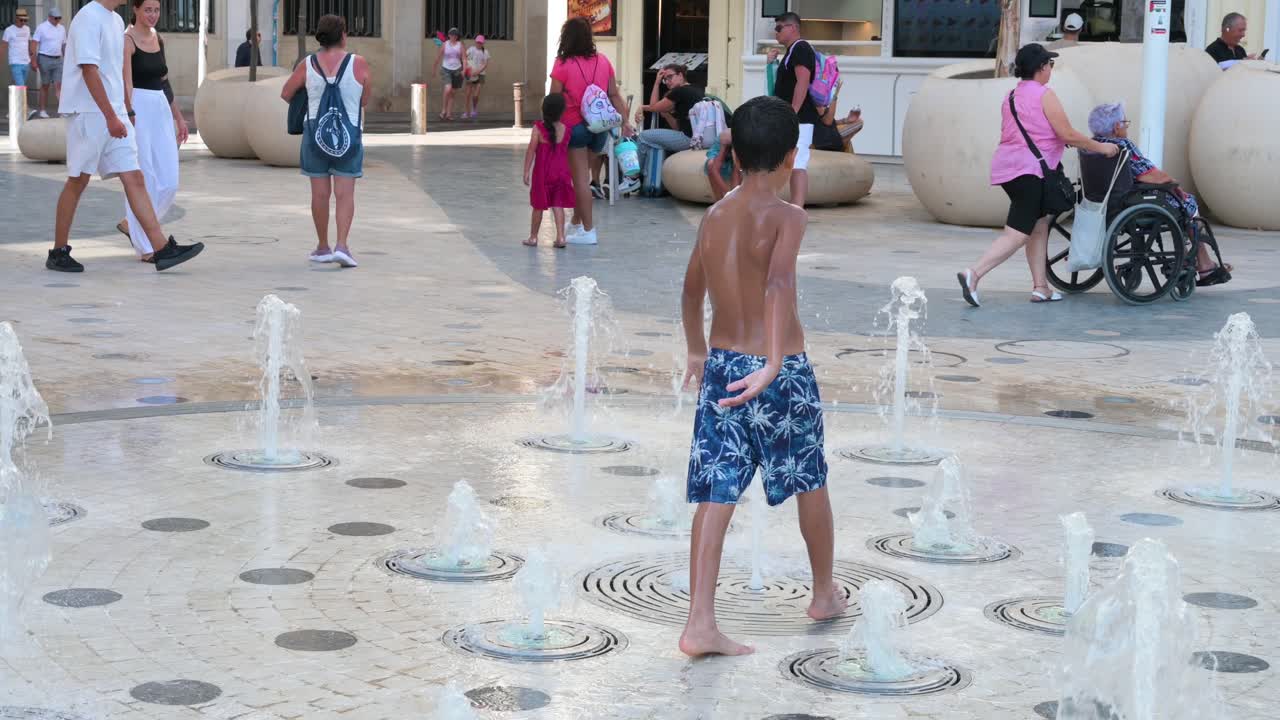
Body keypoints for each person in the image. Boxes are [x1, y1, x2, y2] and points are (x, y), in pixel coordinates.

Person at [678, 95, 845, 657]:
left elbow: (690, 290)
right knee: (809, 478)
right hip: (783, 374)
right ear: (789, 156)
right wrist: (773, 362)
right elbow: (778, 285)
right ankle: (824, 593)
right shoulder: (788, 217)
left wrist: (697, 352)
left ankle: (700, 622)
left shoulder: (715, 214)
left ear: (737, 151)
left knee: (717, 490)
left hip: (723, 365)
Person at [48, 0, 203, 273]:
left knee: (135, 176)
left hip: (114, 113)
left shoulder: (116, 21)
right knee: (78, 180)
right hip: (89, 113)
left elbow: (115, 75)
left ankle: (161, 248)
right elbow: (89, 71)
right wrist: (110, 115)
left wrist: (123, 111)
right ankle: (58, 251)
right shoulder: (87, 18)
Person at [956, 44, 1117, 306]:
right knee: (1017, 233)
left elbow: (1024, 132)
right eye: (1050, 64)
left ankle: (1041, 287)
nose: (1051, 68)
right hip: (1031, 171)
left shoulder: (1010, 96)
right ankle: (973, 274)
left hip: (1009, 168)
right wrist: (1102, 147)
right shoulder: (1045, 95)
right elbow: (1067, 134)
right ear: (1041, 68)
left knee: (1039, 225)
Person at [1088, 102, 1232, 286]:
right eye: (1125, 122)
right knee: (1188, 204)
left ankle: (1201, 261)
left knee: (1181, 202)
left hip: (1103, 204)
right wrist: (1173, 184)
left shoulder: (1091, 147)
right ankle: (1205, 266)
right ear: (1117, 127)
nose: (1126, 126)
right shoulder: (1122, 145)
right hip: (1132, 203)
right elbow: (1151, 175)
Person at [280, 14, 371, 268]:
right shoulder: (359, 63)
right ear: (343, 36)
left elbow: (286, 92)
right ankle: (342, 246)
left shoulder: (307, 64)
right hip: (349, 133)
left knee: (320, 194)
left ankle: (322, 247)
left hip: (314, 133)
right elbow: (365, 99)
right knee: (345, 193)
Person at [115, 0, 189, 262]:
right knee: (144, 178)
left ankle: (131, 223)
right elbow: (125, 82)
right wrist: (129, 114)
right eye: (148, 9)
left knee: (169, 181)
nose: (153, 15)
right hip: (139, 110)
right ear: (135, 9)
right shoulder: (126, 41)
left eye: (156, 10)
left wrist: (179, 118)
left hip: (159, 108)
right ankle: (146, 247)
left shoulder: (159, 39)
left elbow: (164, 81)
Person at [549, 16, 632, 246]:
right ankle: (576, 223)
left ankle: (588, 230)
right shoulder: (603, 61)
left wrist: (550, 126)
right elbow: (614, 95)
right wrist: (624, 121)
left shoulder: (562, 64)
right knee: (583, 178)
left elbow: (554, 99)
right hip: (600, 128)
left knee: (580, 182)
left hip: (575, 128)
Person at [767, 12, 819, 208]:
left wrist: (793, 112)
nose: (776, 32)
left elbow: (802, 82)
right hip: (790, 117)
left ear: (793, 28)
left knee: (798, 162)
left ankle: (797, 207)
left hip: (799, 118)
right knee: (785, 160)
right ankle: (783, 204)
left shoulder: (801, 48)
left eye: (779, 28)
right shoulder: (791, 52)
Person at [522, 93, 573, 249]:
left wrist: (526, 171)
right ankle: (561, 237)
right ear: (562, 111)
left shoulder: (538, 128)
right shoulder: (566, 129)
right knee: (558, 205)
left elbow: (531, 150)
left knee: (538, 206)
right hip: (561, 172)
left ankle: (533, 237)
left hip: (542, 173)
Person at [633, 63, 705, 162]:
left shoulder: (679, 91)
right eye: (665, 79)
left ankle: (633, 176)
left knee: (643, 137)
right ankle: (650, 175)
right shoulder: (695, 89)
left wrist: (657, 83)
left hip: (689, 139)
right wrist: (665, 114)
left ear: (680, 75)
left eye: (670, 77)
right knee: (654, 141)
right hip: (698, 137)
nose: (667, 81)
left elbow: (653, 106)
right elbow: (677, 127)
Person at [31, 8, 66, 119]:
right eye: (56, 18)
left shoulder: (62, 28)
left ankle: (62, 111)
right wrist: (33, 60)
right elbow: (34, 43)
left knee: (59, 85)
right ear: (50, 17)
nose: (58, 20)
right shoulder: (41, 27)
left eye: (59, 18)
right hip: (44, 58)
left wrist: (67, 59)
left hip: (58, 59)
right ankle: (42, 110)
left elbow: (64, 44)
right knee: (45, 85)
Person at [812, 80, 862, 153]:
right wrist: (834, 96)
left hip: (828, 134)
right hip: (824, 138)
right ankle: (840, 148)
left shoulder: (821, 98)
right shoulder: (816, 98)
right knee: (859, 123)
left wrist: (845, 120)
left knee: (857, 123)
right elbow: (827, 122)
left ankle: (841, 149)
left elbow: (828, 122)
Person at [432, 27, 464, 121]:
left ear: (457, 36)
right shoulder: (445, 44)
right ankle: (443, 110)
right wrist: (434, 69)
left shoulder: (460, 45)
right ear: (449, 35)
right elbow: (438, 57)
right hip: (446, 69)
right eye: (451, 34)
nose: (453, 36)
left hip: (457, 70)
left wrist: (464, 70)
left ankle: (449, 114)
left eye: (455, 35)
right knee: (448, 89)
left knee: (453, 93)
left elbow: (464, 58)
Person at [705, 128, 740, 201]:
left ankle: (734, 200)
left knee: (738, 167)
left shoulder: (742, 139)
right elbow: (714, 169)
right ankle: (719, 200)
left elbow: (736, 168)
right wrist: (728, 192)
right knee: (710, 165)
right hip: (718, 155)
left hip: (732, 156)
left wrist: (734, 194)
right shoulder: (726, 137)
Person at [3, 8, 32, 91]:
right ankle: (24, 104)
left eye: (25, 21)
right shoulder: (9, 30)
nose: (23, 22)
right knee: (21, 87)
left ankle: (17, 103)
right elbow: (3, 46)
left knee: (20, 86)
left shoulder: (27, 29)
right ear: (16, 19)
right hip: (15, 62)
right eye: (21, 20)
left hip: (26, 62)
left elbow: (29, 41)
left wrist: (31, 54)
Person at [463, 34, 489, 120]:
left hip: (480, 74)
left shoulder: (485, 52)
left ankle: (474, 109)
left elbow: (485, 65)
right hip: (470, 73)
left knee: (476, 95)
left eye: (480, 42)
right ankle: (467, 112)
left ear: (483, 43)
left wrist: (477, 72)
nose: (479, 44)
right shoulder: (470, 49)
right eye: (477, 42)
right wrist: (467, 68)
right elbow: (464, 59)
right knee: (467, 94)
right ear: (475, 42)